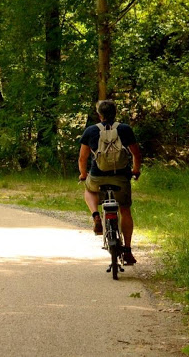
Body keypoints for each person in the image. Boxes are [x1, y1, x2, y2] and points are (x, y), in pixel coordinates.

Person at [78, 99, 142, 265]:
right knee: (125, 210)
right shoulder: (125, 129)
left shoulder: (91, 131)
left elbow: (82, 158)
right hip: (121, 178)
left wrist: (83, 174)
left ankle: (96, 216)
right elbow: (136, 154)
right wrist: (135, 170)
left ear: (100, 115)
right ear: (115, 113)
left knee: (89, 190)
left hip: (98, 177)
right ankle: (127, 250)